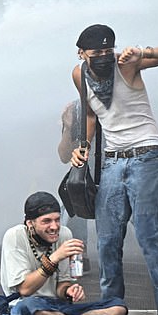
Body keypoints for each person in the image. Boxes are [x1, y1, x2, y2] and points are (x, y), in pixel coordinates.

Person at [69, 24, 158, 315]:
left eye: (109, 50)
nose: (105, 57)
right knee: (106, 241)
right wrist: (81, 148)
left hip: (147, 154)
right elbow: (92, 115)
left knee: (150, 236)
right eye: (98, 53)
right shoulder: (79, 74)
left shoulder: (127, 62)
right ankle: (112, 311)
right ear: (82, 53)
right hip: (111, 161)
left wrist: (144, 51)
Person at [0, 191, 128, 315]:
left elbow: (62, 285)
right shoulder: (14, 236)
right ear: (30, 223)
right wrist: (55, 257)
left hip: (57, 307)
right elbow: (25, 289)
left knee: (118, 306)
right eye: (46, 221)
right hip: (23, 307)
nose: (54, 227)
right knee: (31, 304)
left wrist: (68, 291)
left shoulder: (65, 233)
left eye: (57, 220)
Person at [57, 100, 91, 273]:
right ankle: (77, 262)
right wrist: (69, 127)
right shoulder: (77, 109)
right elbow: (64, 156)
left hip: (114, 169)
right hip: (86, 175)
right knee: (72, 202)